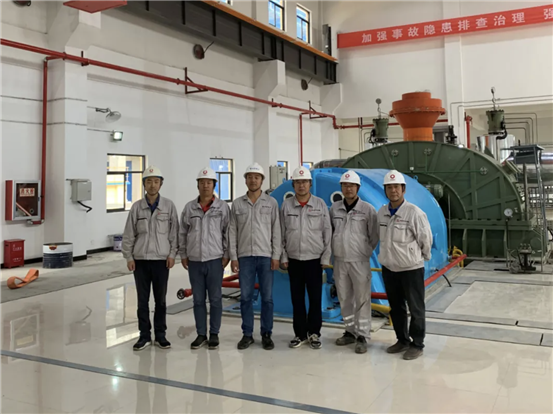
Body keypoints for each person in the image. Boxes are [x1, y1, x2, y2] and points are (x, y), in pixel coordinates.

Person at [122, 166, 179, 351]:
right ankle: (144, 335)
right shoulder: (137, 207)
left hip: (161, 260)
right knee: (142, 300)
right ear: (144, 184)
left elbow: (174, 234)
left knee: (160, 300)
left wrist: (172, 255)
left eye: (156, 181)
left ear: (161, 184)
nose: (152, 185)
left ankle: (160, 335)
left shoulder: (168, 206)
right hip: (141, 261)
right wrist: (129, 257)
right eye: (149, 181)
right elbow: (129, 234)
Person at [377, 170, 433, 360]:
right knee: (396, 307)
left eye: (396, 187)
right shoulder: (382, 213)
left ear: (403, 189)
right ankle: (402, 340)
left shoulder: (414, 213)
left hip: (411, 269)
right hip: (389, 268)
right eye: (389, 187)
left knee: (416, 308)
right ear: (385, 190)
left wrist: (420, 258)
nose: (393, 190)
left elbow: (425, 239)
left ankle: (417, 344)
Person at [229, 163, 281, 350]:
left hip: (266, 256)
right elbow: (232, 231)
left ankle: (266, 333)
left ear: (262, 180)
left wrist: (276, 255)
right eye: (249, 177)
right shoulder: (237, 204)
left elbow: (276, 230)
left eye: (256, 177)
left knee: (267, 298)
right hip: (245, 257)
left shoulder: (271, 203)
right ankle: (247, 334)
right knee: (245, 297)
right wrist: (233, 256)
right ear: (245, 180)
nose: (253, 180)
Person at [280, 166, 332, 350]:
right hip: (294, 260)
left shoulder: (320, 204)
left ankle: (314, 333)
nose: (301, 185)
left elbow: (327, 232)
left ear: (310, 184)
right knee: (297, 299)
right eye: (298, 182)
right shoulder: (286, 206)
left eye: (304, 182)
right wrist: (283, 256)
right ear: (293, 185)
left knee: (315, 299)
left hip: (314, 260)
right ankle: (300, 334)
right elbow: (281, 233)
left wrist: (325, 257)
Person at [179, 167, 231, 350]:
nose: (205, 186)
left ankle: (214, 334)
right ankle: (201, 334)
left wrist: (227, 255)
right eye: (202, 182)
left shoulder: (222, 208)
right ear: (198, 185)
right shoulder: (189, 208)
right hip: (194, 261)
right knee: (198, 300)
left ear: (214, 185)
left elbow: (228, 232)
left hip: (215, 259)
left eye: (209, 182)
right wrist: (183, 254)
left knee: (215, 299)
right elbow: (182, 233)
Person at [330, 170, 379, 354]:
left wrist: (364, 250)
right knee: (344, 298)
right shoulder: (334, 209)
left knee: (362, 299)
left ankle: (362, 335)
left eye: (351, 185)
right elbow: (331, 231)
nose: (348, 188)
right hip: (340, 261)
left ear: (357, 188)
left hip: (359, 261)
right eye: (345, 185)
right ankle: (350, 331)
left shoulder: (367, 209)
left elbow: (374, 235)